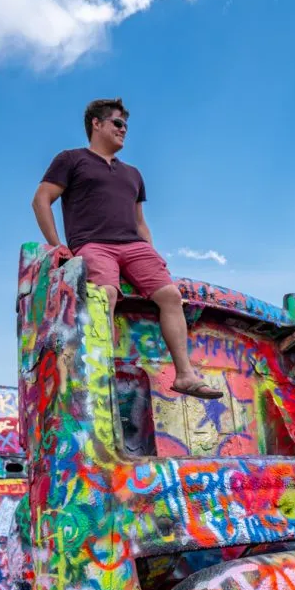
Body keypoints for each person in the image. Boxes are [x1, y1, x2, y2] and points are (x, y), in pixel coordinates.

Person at [32, 97, 223, 400]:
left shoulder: (133, 173)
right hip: (93, 244)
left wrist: (150, 249)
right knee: (105, 294)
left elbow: (140, 221)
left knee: (171, 295)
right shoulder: (71, 159)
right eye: (118, 123)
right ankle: (102, 373)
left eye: (126, 126)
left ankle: (185, 376)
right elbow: (41, 199)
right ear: (97, 123)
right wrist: (58, 247)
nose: (124, 130)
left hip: (134, 246)